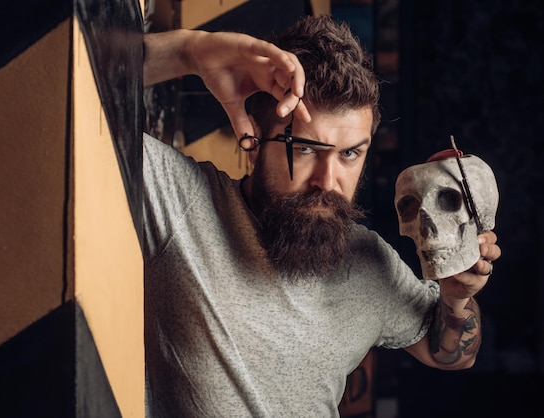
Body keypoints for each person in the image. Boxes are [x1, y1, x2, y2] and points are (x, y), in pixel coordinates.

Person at [141, 15, 501, 417]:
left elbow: (450, 356)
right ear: (254, 141)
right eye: (306, 149)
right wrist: (191, 50)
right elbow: (71, 84)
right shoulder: (182, 202)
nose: (328, 181)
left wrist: (456, 298)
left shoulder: (370, 264)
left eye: (350, 154)